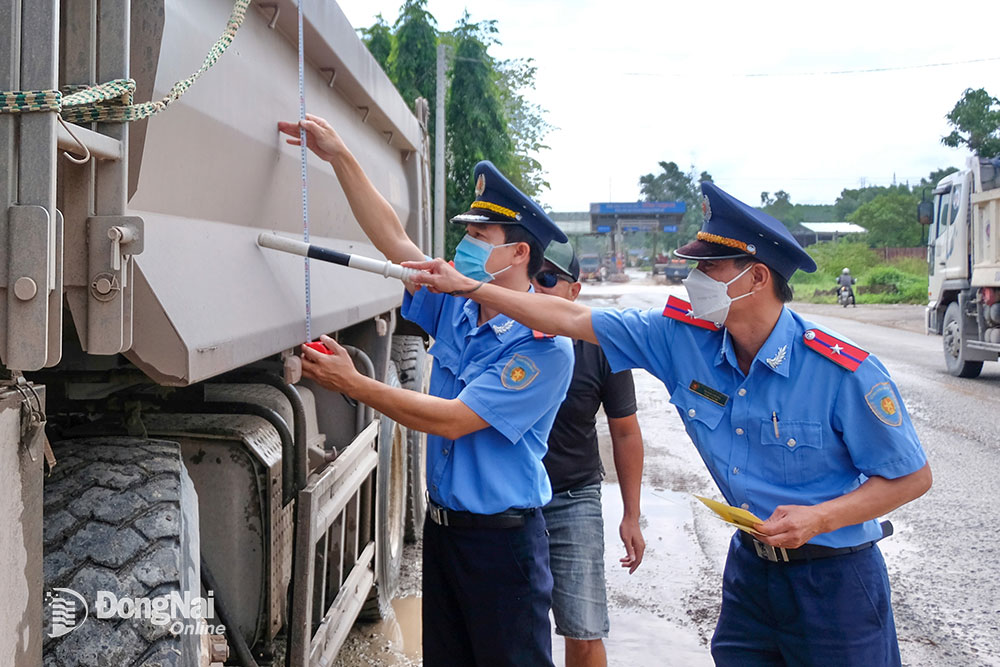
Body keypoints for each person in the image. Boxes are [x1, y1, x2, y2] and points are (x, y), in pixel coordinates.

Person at [405, 180, 933, 666]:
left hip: (835, 579)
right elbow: (565, 318)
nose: (693, 279)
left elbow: (912, 477)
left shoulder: (842, 372)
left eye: (710, 269)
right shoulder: (682, 339)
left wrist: (820, 519)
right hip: (751, 570)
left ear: (756, 277)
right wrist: (470, 288)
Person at [278, 114, 574, 666]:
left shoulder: (544, 347)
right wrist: (340, 153)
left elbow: (453, 419)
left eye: (478, 236)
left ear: (518, 255)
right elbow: (393, 241)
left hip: (502, 547)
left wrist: (355, 383)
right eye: (466, 232)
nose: (463, 245)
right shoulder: (459, 308)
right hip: (445, 536)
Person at [534, 241, 645, 667]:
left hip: (571, 499)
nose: (536, 289)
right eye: (531, 278)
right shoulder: (501, 335)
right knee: (507, 626)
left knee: (582, 628)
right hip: (508, 500)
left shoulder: (602, 345)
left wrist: (630, 515)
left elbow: (625, 432)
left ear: (574, 292)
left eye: (548, 280)